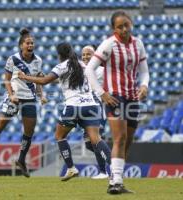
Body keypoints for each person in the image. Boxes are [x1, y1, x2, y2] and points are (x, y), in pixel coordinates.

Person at [18, 42, 111, 182]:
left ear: (60, 55)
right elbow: (67, 80)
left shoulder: (61, 66)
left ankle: (71, 168)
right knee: (96, 139)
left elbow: (43, 81)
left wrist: (25, 77)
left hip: (73, 106)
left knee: (60, 135)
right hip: (91, 106)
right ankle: (115, 167)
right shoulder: (83, 65)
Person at [85, 11, 149, 194]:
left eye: (126, 25)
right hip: (115, 97)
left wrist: (144, 85)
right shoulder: (109, 44)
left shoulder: (138, 44)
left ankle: (116, 178)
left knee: (127, 141)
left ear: (131, 24)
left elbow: (144, 71)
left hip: (132, 98)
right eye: (119, 26)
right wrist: (102, 93)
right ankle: (115, 183)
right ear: (114, 28)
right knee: (119, 138)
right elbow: (89, 70)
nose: (124, 29)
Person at [0, 28, 47, 178]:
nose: (31, 45)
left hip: (29, 98)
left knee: (29, 132)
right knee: (0, 124)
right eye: (28, 43)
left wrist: (41, 96)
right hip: (14, 97)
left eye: (32, 43)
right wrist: (11, 94)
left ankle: (21, 159)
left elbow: (37, 80)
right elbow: (7, 80)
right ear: (21, 45)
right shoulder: (13, 59)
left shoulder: (38, 60)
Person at [82, 45, 110, 179]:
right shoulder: (83, 70)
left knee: (95, 140)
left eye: (88, 54)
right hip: (86, 110)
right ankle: (107, 163)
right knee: (89, 143)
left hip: (97, 109)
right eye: (83, 54)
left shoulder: (102, 70)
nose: (85, 57)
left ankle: (106, 170)